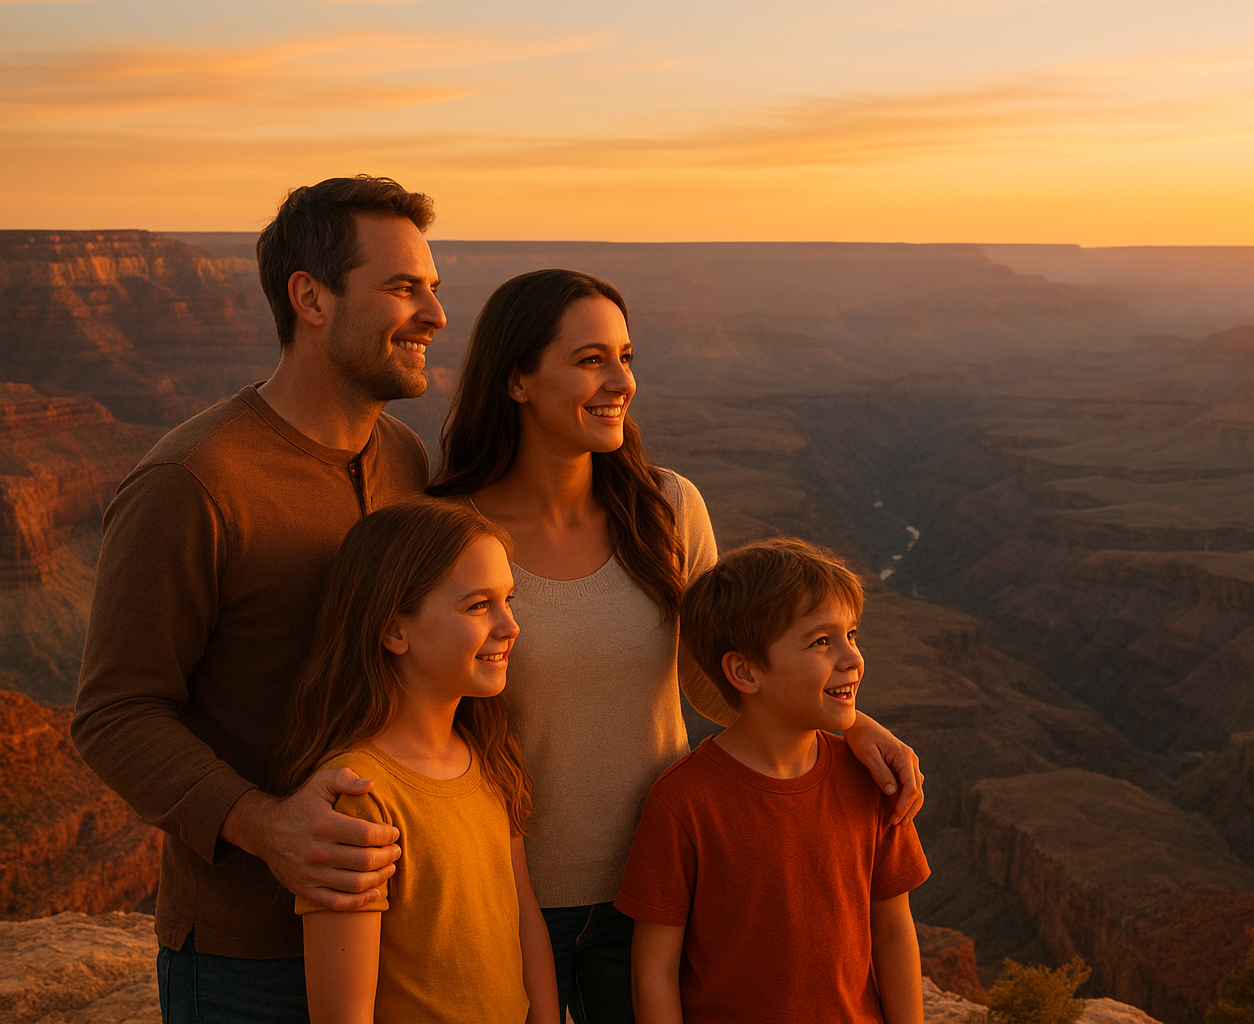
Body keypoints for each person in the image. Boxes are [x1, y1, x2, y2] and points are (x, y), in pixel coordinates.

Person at [426, 268, 926, 1023]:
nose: (620, 381)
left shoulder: (667, 508)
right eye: (591, 359)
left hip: (656, 889)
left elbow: (725, 672)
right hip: (497, 890)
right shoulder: (446, 532)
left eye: (626, 357)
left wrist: (855, 727)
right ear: (517, 380)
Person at [72, 175, 444, 1023]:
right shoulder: (194, 480)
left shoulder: (407, 462)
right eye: (401, 288)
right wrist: (268, 827)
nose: (434, 315)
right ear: (310, 298)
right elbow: (115, 712)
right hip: (249, 960)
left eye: (432, 289)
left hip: (397, 930)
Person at [616, 537, 928, 1024]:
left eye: (852, 635)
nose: (851, 658)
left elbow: (893, 933)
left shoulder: (869, 781)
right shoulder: (684, 802)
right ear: (743, 671)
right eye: (821, 641)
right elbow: (653, 971)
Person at [279, 500, 559, 1024]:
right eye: (478, 605)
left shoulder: (489, 755)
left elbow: (525, 920)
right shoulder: (361, 796)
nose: (510, 625)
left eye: (509, 600)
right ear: (394, 632)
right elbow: (344, 1013)